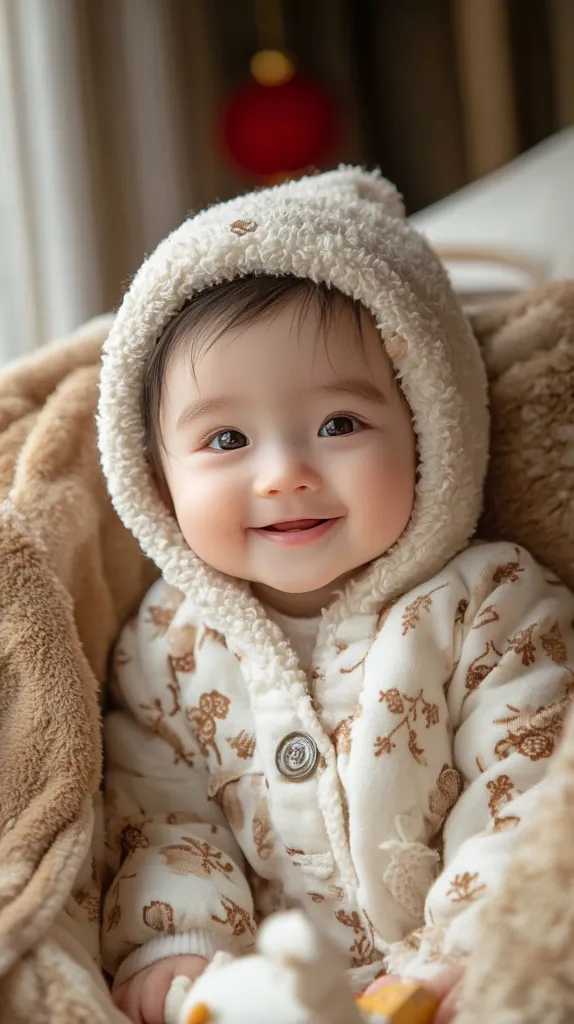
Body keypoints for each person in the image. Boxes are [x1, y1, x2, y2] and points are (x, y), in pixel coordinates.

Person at [97, 167, 574, 1024]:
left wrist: (469, 953)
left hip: (457, 985)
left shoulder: (491, 605)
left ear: (433, 428)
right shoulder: (164, 643)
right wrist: (185, 955)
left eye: (339, 425)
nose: (284, 475)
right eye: (228, 438)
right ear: (154, 476)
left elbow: (527, 787)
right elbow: (163, 819)